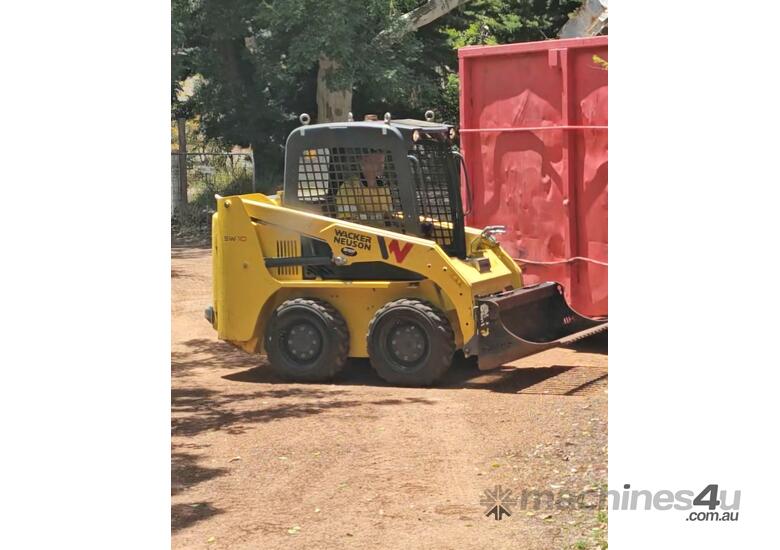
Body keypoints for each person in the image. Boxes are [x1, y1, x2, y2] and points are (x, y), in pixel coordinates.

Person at [335, 150, 394, 222]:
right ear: (363, 163)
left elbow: (390, 216)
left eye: (382, 163)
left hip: (386, 231)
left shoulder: (384, 187)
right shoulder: (349, 187)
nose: (380, 167)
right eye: (375, 163)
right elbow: (348, 220)